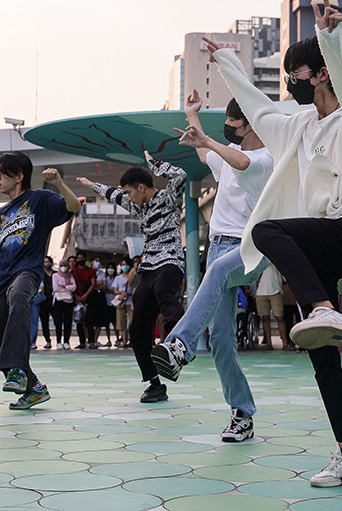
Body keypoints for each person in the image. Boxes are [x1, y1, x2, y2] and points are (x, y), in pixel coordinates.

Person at [194, 0, 342, 486]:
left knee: (264, 228)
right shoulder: (299, 125)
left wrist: (335, 37)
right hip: (315, 243)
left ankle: (323, 307)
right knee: (321, 351)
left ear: (321, 73)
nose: (288, 84)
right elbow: (260, 111)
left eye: (294, 75)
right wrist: (229, 63)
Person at [149, 91, 274, 437]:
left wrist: (208, 140)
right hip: (218, 247)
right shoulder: (226, 155)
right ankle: (243, 414)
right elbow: (207, 155)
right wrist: (192, 117)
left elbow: (242, 163)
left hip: (252, 246)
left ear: (250, 125)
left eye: (232, 123)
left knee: (219, 272)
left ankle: (180, 346)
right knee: (221, 338)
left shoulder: (266, 158)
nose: (227, 129)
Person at [0, 151, 80, 409]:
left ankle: (17, 371)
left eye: (2, 172)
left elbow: (73, 207)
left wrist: (59, 183)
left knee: (19, 296)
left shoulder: (40, 199)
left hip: (27, 271)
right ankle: (34, 388)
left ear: (18, 176)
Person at [79, 150, 186, 403]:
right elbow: (114, 194)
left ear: (141, 187)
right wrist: (90, 185)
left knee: (163, 292)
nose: (128, 197)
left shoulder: (168, 198)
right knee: (137, 327)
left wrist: (154, 164)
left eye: (130, 191)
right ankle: (154, 384)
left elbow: (180, 175)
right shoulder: (139, 206)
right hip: (148, 267)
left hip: (170, 262)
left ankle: (179, 340)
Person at [70, 253, 96, 349]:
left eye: (82, 258)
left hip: (89, 299)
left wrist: (86, 295)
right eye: (78, 258)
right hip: (77, 299)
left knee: (90, 321)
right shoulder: (73, 271)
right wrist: (75, 295)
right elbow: (70, 284)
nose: (80, 259)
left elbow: (93, 284)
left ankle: (91, 341)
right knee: (79, 320)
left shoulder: (91, 271)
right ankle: (82, 342)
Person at [51, 258, 77, 350]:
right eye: (61, 266)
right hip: (58, 300)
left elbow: (74, 287)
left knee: (68, 321)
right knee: (58, 322)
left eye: (65, 265)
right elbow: (55, 288)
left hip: (69, 301)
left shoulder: (70, 276)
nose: (63, 268)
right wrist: (67, 288)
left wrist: (64, 286)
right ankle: (58, 341)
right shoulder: (55, 275)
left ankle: (66, 341)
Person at [112, 258, 133, 348]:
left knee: (132, 321)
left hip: (131, 302)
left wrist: (128, 293)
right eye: (123, 264)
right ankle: (124, 341)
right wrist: (121, 293)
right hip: (121, 302)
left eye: (126, 264)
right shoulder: (118, 278)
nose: (124, 266)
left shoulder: (132, 277)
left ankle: (131, 340)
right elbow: (115, 290)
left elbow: (135, 289)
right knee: (121, 322)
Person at [38, 256, 55, 349]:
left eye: (48, 262)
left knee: (58, 321)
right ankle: (48, 340)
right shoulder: (40, 275)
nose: (46, 264)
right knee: (45, 322)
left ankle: (61, 340)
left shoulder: (56, 274)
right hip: (44, 301)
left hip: (55, 300)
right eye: (45, 262)